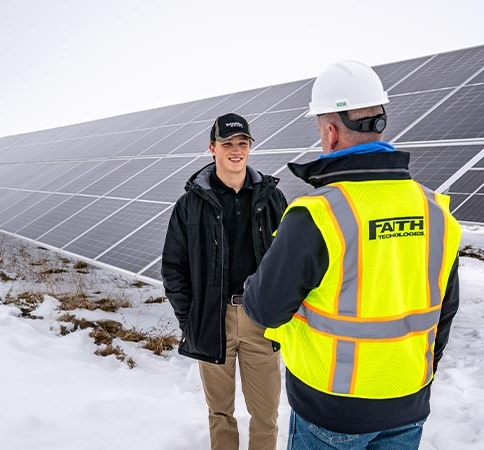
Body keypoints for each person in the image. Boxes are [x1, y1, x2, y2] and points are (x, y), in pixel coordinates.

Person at [243, 61, 462, 450]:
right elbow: (444, 310)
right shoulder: (436, 211)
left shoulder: (317, 214)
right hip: (409, 400)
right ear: (380, 120)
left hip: (331, 408)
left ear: (329, 131)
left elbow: (265, 308)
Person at [161, 112, 287, 450]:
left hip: (260, 320)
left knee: (267, 415)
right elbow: (173, 268)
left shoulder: (272, 198)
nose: (235, 150)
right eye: (227, 143)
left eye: (242, 143)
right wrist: (191, 319)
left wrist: (280, 311)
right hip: (212, 319)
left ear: (250, 148)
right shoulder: (190, 205)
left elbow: (288, 262)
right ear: (212, 148)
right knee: (220, 413)